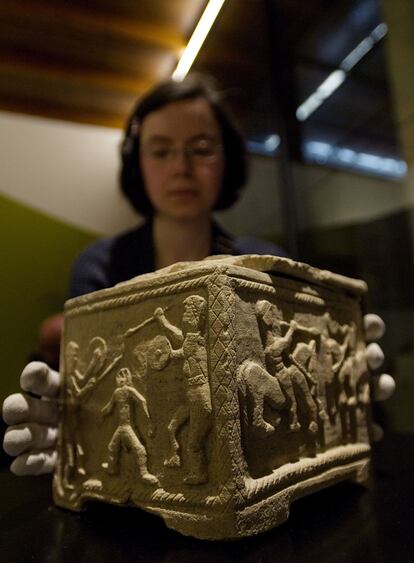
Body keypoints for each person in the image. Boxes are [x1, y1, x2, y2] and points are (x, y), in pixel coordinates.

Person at [2, 73, 395, 475]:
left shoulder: (263, 262)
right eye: (161, 151)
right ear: (138, 163)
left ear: (226, 159)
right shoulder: (100, 266)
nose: (182, 167)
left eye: (201, 149)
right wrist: (65, 416)